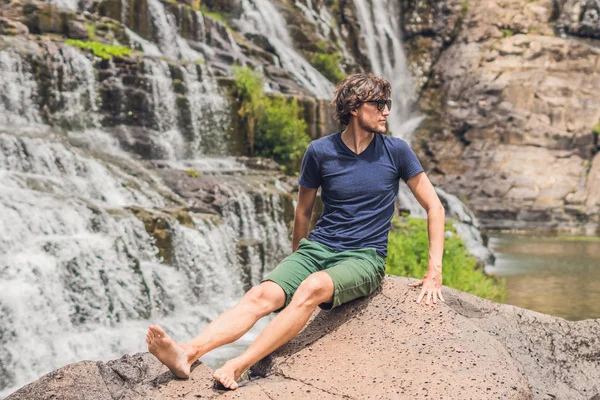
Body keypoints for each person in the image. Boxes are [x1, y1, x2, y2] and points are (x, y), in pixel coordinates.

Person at [145, 73, 445, 390]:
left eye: (388, 104)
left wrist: (433, 270)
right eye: (379, 103)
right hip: (316, 250)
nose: (386, 111)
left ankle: (238, 364)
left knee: (312, 287)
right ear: (355, 107)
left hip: (363, 257)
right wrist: (294, 263)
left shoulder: (396, 151)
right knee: (262, 294)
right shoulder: (320, 151)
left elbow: (434, 207)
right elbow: (302, 211)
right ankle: (187, 353)